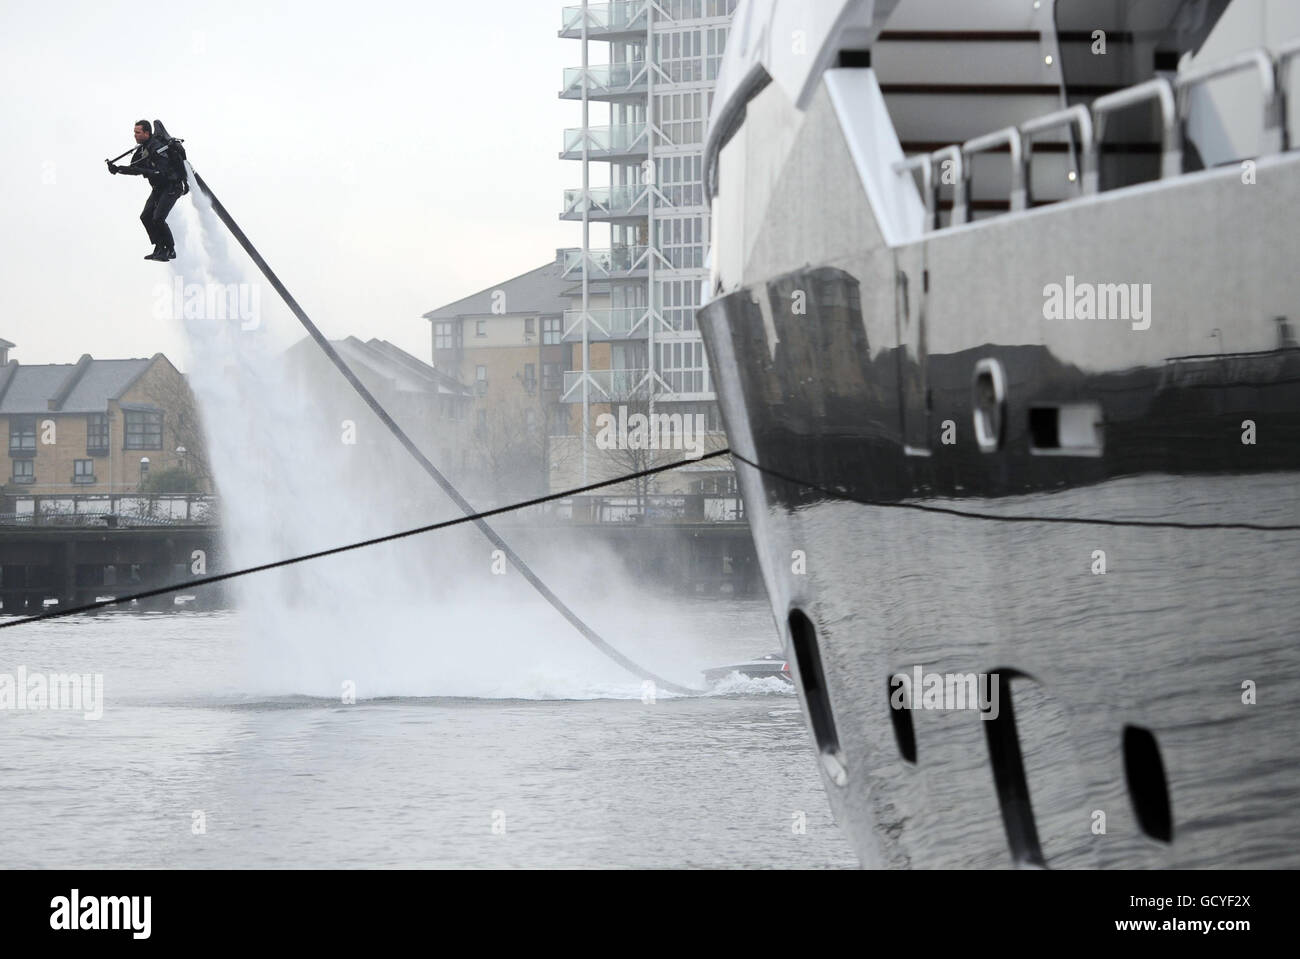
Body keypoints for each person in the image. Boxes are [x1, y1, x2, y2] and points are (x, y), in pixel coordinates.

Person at [107, 120, 185, 261]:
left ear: (147, 133)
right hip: (158, 188)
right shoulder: (143, 150)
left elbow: (159, 172)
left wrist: (140, 170)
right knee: (146, 216)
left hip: (172, 186)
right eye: (134, 132)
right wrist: (118, 169)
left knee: (158, 218)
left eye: (138, 132)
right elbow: (135, 169)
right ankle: (160, 247)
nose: (135, 135)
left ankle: (170, 250)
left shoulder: (157, 147)